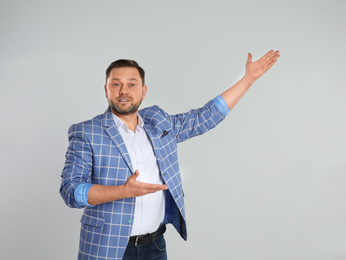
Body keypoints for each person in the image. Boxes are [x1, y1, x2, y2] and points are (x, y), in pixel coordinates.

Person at [60, 50, 280, 260]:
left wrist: (248, 79)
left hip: (154, 246)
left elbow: (204, 117)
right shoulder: (86, 132)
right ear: (106, 90)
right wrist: (122, 191)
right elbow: (70, 191)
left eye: (131, 84)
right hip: (106, 248)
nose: (123, 91)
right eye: (116, 84)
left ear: (143, 91)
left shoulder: (159, 122)